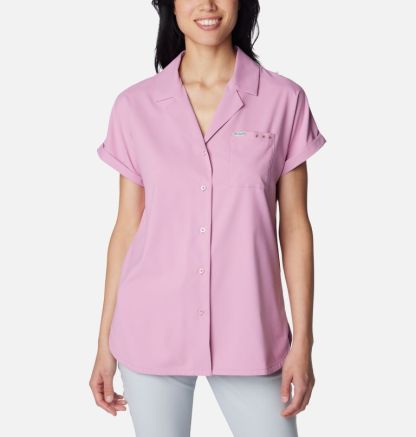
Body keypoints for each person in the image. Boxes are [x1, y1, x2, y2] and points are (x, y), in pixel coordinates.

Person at [89, 0, 327, 435]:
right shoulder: (134, 106)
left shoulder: (283, 100)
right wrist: (104, 343)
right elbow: (126, 229)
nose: (208, 5)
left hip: (251, 331)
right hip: (151, 328)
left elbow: (295, 227)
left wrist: (304, 342)